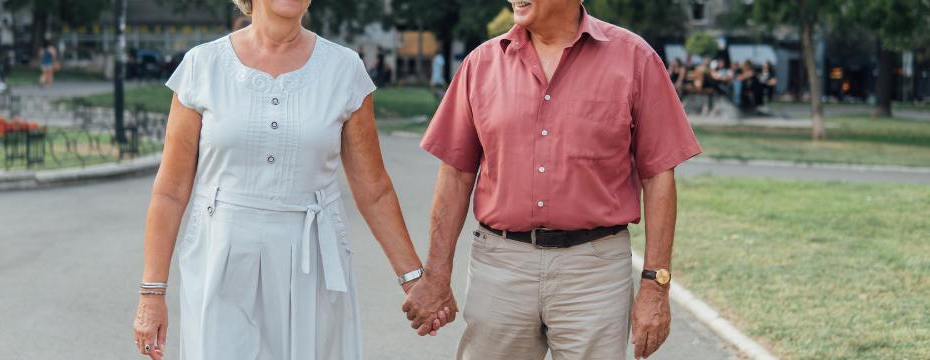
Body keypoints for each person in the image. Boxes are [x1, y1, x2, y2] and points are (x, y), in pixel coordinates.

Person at [130, 0, 441, 359]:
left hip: (315, 266)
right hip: (220, 261)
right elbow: (170, 191)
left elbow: (375, 190)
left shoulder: (344, 69)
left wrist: (415, 279)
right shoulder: (203, 66)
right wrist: (151, 295)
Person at [408, 0, 701, 359]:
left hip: (595, 272)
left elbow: (659, 176)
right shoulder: (481, 64)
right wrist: (437, 275)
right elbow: (455, 174)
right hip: (500, 266)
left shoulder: (635, 59)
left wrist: (656, 286)